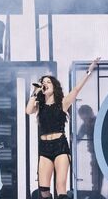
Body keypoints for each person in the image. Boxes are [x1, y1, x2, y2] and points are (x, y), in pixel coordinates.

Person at [25, 58, 100, 199]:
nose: (45, 84)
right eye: (43, 82)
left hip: (60, 145)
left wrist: (90, 70)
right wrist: (35, 91)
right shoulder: (39, 105)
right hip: (44, 147)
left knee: (60, 185)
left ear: (54, 86)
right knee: (44, 190)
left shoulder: (63, 103)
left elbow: (77, 89)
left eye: (48, 82)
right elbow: (28, 110)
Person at [76, 105, 102, 197]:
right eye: (83, 118)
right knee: (95, 175)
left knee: (96, 175)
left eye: (85, 117)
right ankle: (96, 194)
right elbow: (78, 138)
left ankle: (97, 193)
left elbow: (78, 138)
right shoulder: (85, 125)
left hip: (102, 152)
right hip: (95, 154)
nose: (84, 120)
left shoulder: (98, 122)